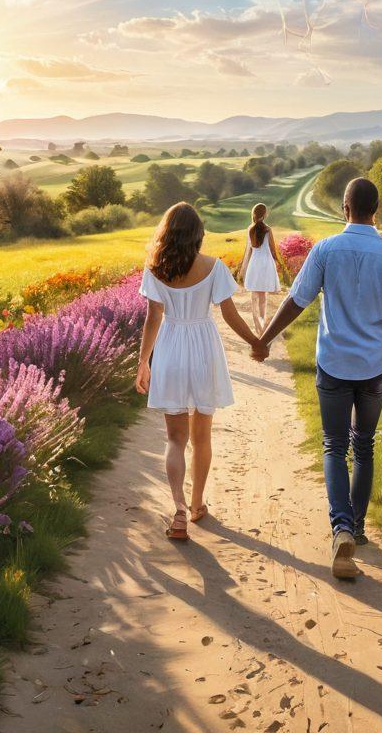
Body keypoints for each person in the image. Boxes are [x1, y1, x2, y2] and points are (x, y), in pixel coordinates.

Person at [252, 178, 382, 579]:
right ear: (375, 209)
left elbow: (297, 300)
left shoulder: (326, 249)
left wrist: (264, 339)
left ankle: (340, 527)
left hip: (334, 363)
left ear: (345, 208)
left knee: (333, 445)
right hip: (375, 366)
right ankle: (356, 529)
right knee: (364, 446)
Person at [135, 202, 261, 541]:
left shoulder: (155, 268)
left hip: (171, 346)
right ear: (198, 234)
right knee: (202, 436)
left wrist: (143, 362)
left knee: (175, 439)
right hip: (204, 348)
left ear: (166, 233)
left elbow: (153, 318)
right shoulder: (214, 267)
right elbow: (231, 315)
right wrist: (255, 340)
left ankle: (176, 510)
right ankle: (195, 504)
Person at [238, 202, 282, 335]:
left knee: (254, 295)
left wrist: (243, 269)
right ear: (264, 214)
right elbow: (273, 250)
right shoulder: (268, 230)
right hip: (266, 263)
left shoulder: (250, 229)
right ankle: (262, 324)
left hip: (255, 263)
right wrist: (278, 262)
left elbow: (248, 251)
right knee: (263, 296)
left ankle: (256, 323)